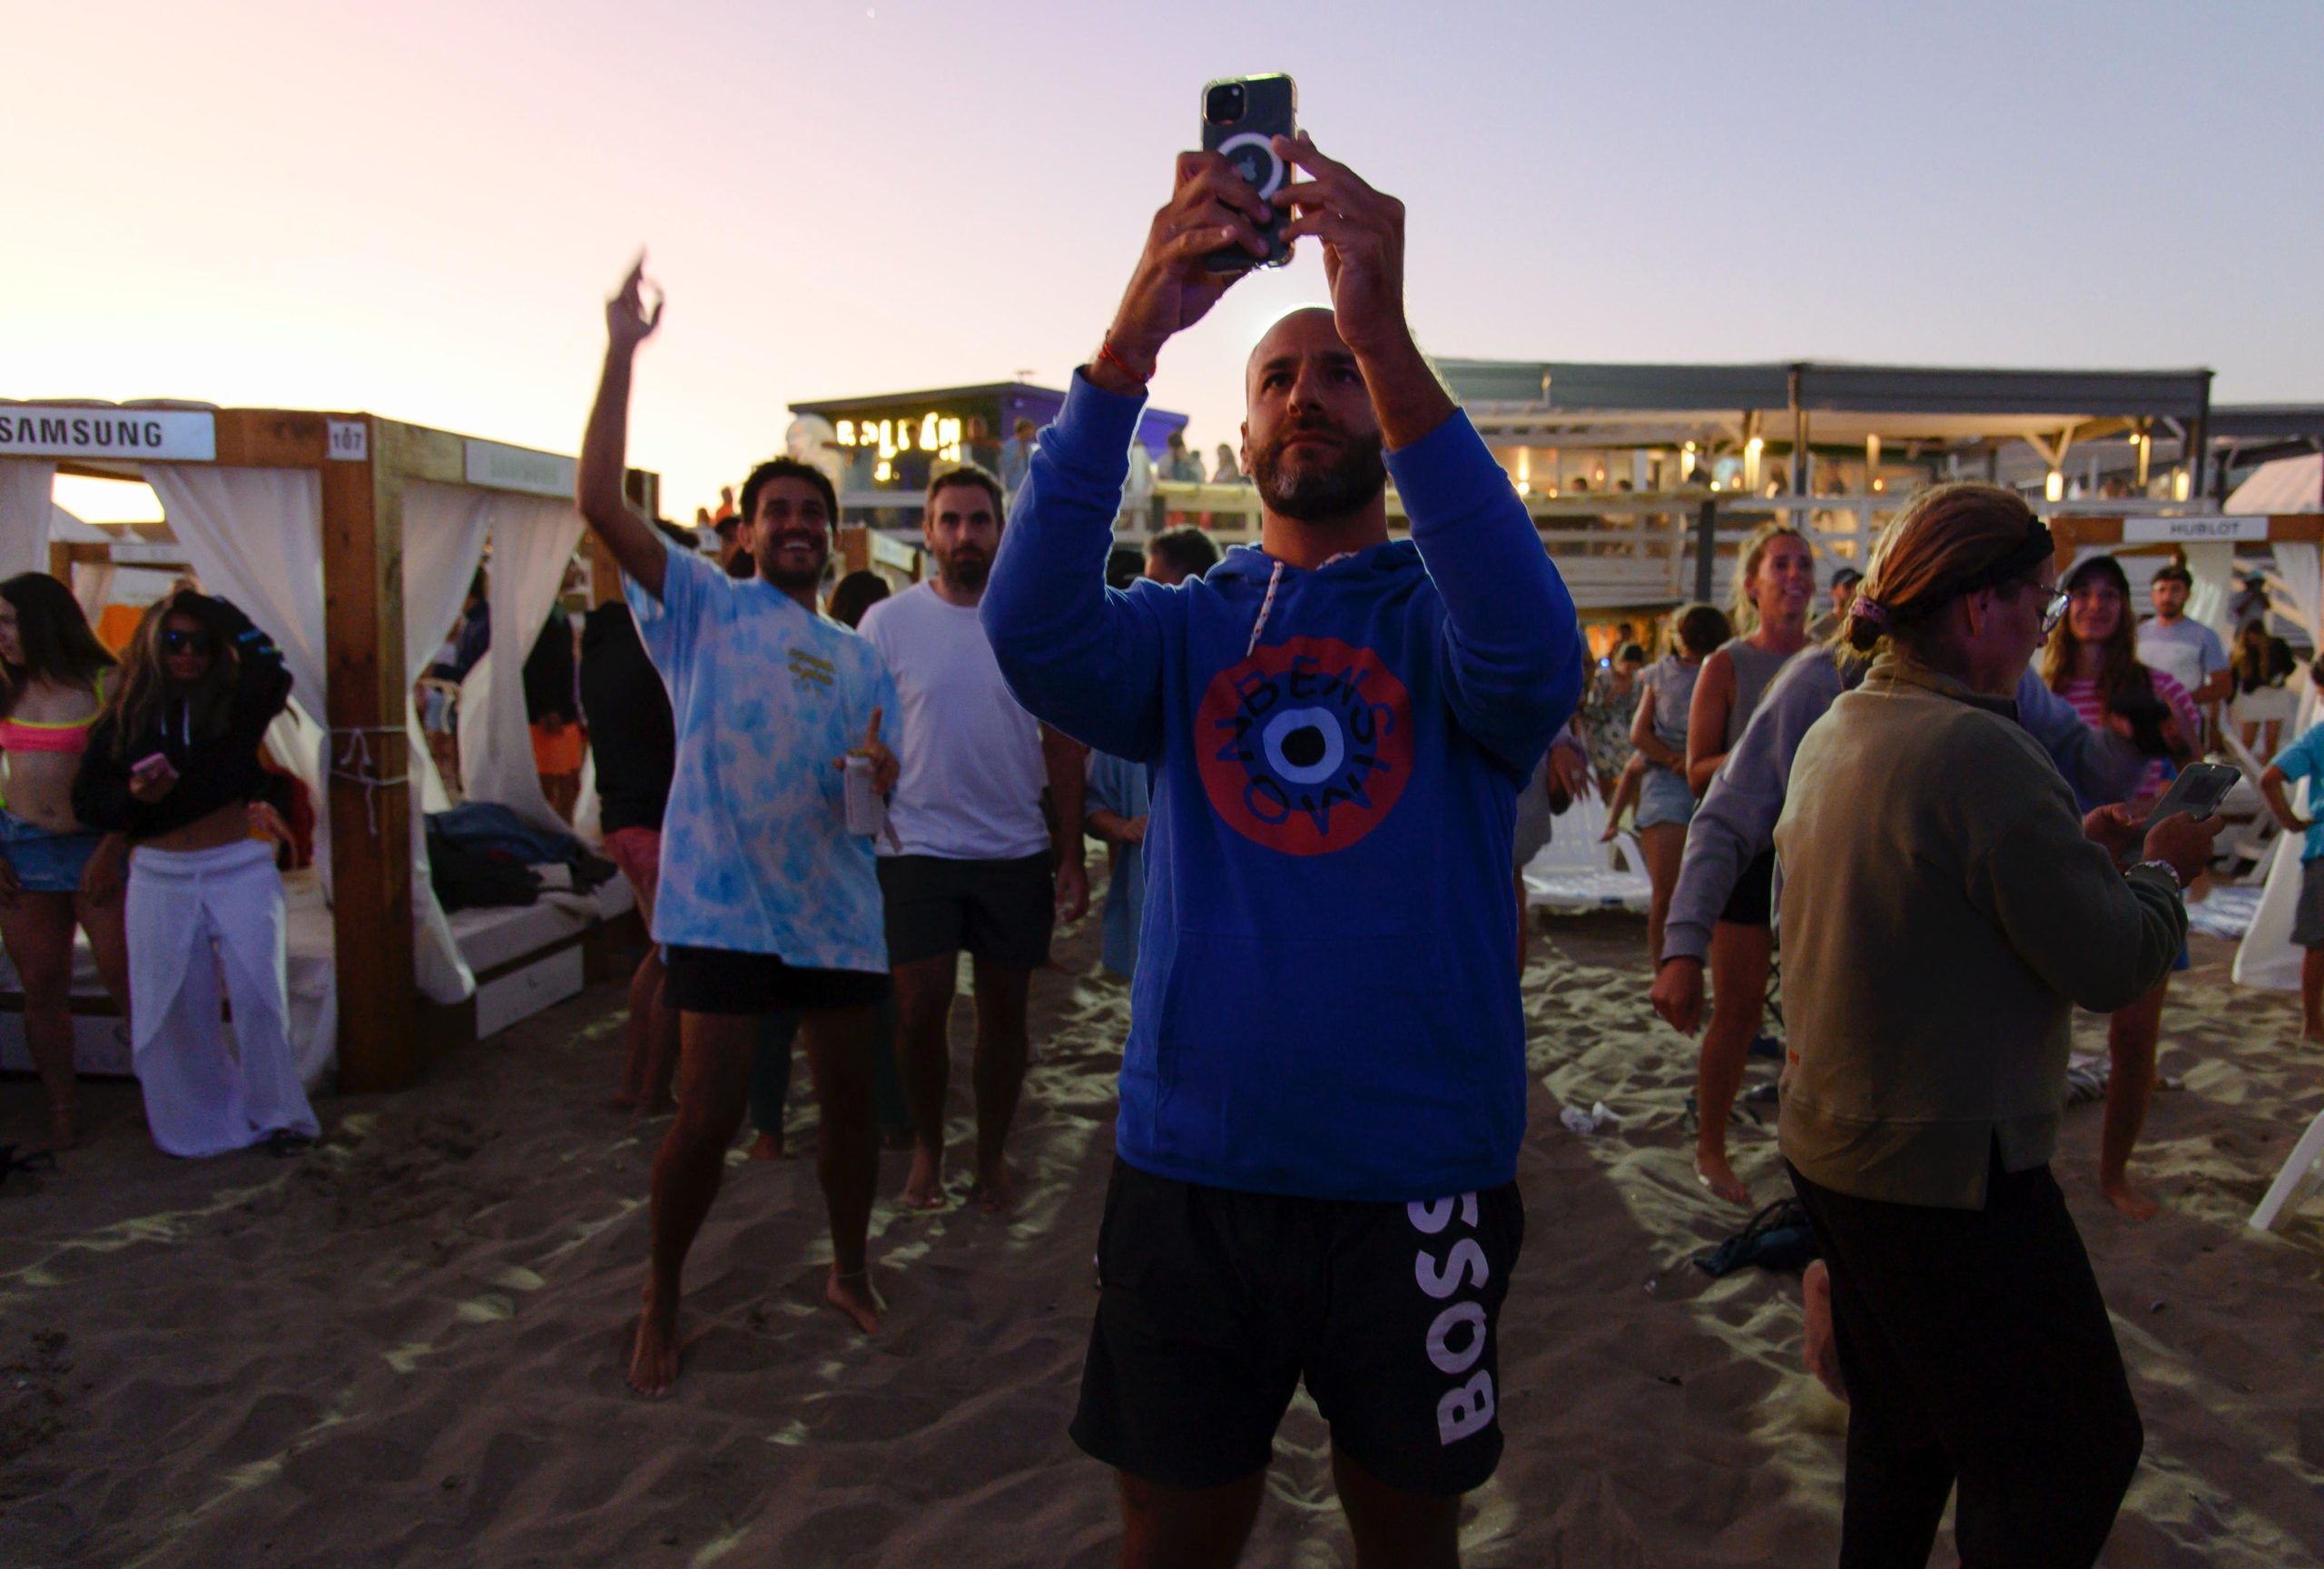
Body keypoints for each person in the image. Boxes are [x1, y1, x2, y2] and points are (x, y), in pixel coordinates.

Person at [982, 131, 1582, 1565]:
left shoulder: (1439, 620)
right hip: (1194, 1169)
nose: (1307, 394)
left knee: (1408, 1541)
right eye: (1277, 378)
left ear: (1377, 411)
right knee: (1174, 1537)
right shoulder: (1186, 629)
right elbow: (1033, 632)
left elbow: (1532, 656)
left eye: (1333, 375)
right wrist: (1133, 335)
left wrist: (1382, 330)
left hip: (1417, 1178)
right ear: (1242, 440)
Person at [1775, 481, 2211, 1567]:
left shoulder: (1846, 725)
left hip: (1838, 1149)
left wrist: (2082, 861)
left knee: (1906, 1435)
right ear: (1981, 610)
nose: (2048, 622)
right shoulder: (1978, 750)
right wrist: (2162, 872)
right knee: (2073, 1453)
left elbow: (1945, 911)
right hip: (1947, 1172)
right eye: (2042, 601)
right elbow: (2110, 965)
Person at [580, 259, 901, 1386]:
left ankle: (849, 1269)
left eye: (814, 512)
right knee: (706, 1120)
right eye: (779, 512)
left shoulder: (864, 654)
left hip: (837, 915)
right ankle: (661, 1293)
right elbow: (601, 506)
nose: (798, 525)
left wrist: (884, 773)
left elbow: (874, 797)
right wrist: (621, 349)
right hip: (720, 911)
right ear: (748, 529)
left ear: (832, 532)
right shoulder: (702, 608)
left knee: (853, 1117)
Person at [858, 463, 1090, 1214]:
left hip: (1012, 848)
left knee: (1004, 1019)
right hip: (913, 846)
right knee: (920, 1009)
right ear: (927, 533)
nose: (964, 534)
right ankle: (928, 1148)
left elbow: (1063, 743)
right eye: (950, 520)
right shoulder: (887, 624)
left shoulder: (1027, 620)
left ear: (1001, 530)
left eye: (979, 520)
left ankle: (990, 1156)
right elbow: (859, 737)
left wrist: (1070, 855)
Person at [74, 590, 316, 1159]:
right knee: (170, 1006)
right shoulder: (124, 719)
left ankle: (277, 1117)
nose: (187, 654)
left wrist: (215, 612)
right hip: (160, 874)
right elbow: (89, 800)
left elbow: (270, 665)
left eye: (200, 642)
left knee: (260, 996)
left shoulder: (234, 707)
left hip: (237, 867)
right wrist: (134, 795)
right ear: (152, 646)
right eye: (174, 641)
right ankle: (198, 1126)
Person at [2045, 553, 2202, 1219]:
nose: (2096, 605)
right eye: (2082, 592)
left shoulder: (2159, 685)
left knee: (2135, 1036)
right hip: (2058, 862)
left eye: (2111, 594)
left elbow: (2200, 778)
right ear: (2062, 603)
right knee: (2037, 1029)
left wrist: (2182, 754)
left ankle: (2115, 1173)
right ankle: (2032, 1171)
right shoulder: (2034, 688)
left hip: (2139, 862)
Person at [745, 567, 914, 1162]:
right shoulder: (848, 667)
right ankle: (889, 1118)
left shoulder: (835, 665)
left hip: (796, 859)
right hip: (843, 861)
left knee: (783, 1010)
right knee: (868, 999)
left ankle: (770, 1130)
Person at [1683, 522, 1815, 1204]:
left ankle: (1808, 1148)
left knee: (1815, 1015)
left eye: (1804, 565)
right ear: (1754, 582)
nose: (1795, 576)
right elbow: (1695, 767)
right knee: (1736, 1013)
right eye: (1782, 564)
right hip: (1747, 853)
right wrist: (1759, 762)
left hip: (1812, 855)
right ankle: (1711, 1145)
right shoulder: (1727, 665)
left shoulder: (1831, 662)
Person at [0, 574, 131, 1150]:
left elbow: (138, 775)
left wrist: (115, 847)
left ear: (43, 622)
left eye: (7, 622)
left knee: (124, 978)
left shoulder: (109, 684)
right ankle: (62, 1107)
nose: (0, 635)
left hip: (94, 844)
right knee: (41, 983)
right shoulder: (5, 685)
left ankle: (166, 1091)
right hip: (22, 846)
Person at [577, 532, 689, 1117]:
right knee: (675, 953)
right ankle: (651, 1089)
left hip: (621, 814)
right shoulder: (652, 647)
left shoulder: (602, 644)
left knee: (659, 950)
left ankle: (635, 1079)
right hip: (654, 815)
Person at [1083, 530, 1224, 982]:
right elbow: (1094, 803)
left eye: (1153, 583)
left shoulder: (1243, 694)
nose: (1139, 597)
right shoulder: (1136, 698)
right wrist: (1123, 827)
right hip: (1152, 926)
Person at [1624, 604, 1729, 965]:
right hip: (1711, 779)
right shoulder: (1726, 669)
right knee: (1703, 893)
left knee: (1666, 895)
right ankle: (1674, 971)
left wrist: (1674, 761)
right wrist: (1685, 762)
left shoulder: (1663, 673)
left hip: (1672, 780)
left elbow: (1640, 733)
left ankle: (1664, 971)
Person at [2259, 683, 2324, 1041]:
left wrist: (2290, 822)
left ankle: (2312, 1023)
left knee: (2318, 941)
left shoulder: (2319, 734)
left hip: (2322, 844)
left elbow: (2270, 778)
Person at [2137, 561, 2231, 741]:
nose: (2167, 597)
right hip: (2142, 722)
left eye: (2175, 590)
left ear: (2187, 594)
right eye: (2162, 590)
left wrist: (2179, 700)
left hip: (2184, 726)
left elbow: (2223, 686)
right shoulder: (2137, 634)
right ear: (2153, 595)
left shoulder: (2204, 635)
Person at [524, 595, 584, 822]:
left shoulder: (556, 610)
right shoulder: (538, 613)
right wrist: (546, 707)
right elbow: (537, 661)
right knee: (551, 783)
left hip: (565, 709)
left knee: (569, 782)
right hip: (549, 712)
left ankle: (564, 832)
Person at [1576, 641, 1643, 808]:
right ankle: (1599, 813)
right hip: (1603, 738)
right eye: (1628, 667)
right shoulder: (1604, 677)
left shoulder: (1637, 681)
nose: (1630, 671)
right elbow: (1591, 710)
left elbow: (1634, 711)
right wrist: (1610, 698)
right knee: (1604, 782)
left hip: (1625, 739)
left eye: (1634, 668)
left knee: (1629, 781)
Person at [2230, 616, 2297, 758]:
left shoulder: (2276, 646)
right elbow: (2234, 678)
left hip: (2274, 694)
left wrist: (2279, 676)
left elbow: (2290, 666)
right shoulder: (2242, 652)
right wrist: (2230, 702)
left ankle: (2265, 773)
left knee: (2271, 742)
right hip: (2252, 697)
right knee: (2247, 742)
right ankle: (2243, 773)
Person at [1805, 564, 1861, 642]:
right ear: (1833, 592)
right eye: (1847, 587)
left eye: (1858, 586)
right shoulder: (1817, 630)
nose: (1854, 591)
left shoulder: (1863, 626)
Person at [1000, 418, 1039, 498]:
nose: (1032, 433)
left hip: (1029, 490)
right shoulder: (1008, 447)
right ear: (1024, 430)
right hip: (1014, 491)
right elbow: (1006, 470)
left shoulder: (1032, 447)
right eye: (1030, 429)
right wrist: (1017, 457)